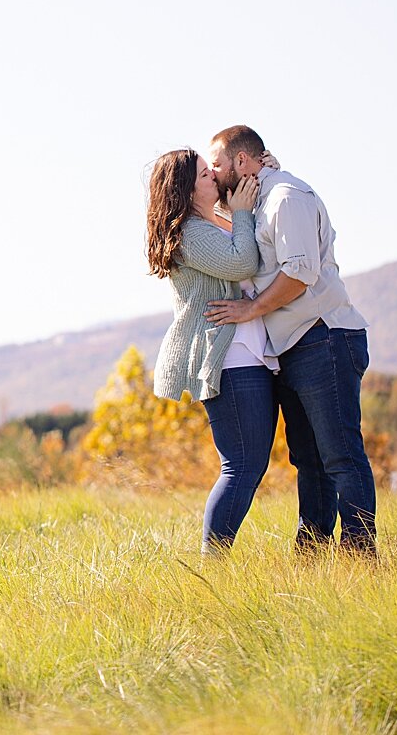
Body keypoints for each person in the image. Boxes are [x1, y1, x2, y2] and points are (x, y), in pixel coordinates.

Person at [202, 125, 377, 554]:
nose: (213, 172)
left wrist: (250, 309)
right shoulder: (259, 200)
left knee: (339, 455)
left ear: (242, 162)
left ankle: (360, 555)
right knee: (308, 459)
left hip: (325, 337)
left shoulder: (286, 198)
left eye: (218, 165)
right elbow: (238, 234)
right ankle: (312, 555)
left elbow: (299, 273)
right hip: (293, 347)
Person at [146, 147, 282, 551]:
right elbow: (243, 263)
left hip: (247, 354)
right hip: (227, 358)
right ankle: (213, 563)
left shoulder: (210, 222)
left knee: (249, 464)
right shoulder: (191, 232)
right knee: (241, 465)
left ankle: (215, 558)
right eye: (205, 175)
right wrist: (240, 213)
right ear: (186, 190)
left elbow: (252, 239)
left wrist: (259, 175)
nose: (213, 179)